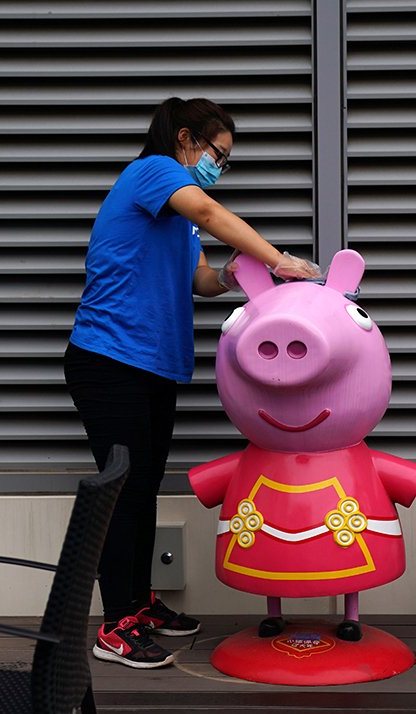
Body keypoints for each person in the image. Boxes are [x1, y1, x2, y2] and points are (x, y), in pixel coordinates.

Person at [64, 97, 319, 669]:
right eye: (217, 156)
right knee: (123, 492)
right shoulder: (154, 171)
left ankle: (139, 602)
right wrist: (277, 258)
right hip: (109, 360)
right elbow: (209, 213)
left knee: (144, 486)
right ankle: (115, 625)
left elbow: (199, 279)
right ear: (185, 139)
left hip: (152, 365)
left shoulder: (176, 216)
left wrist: (230, 276)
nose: (218, 169)